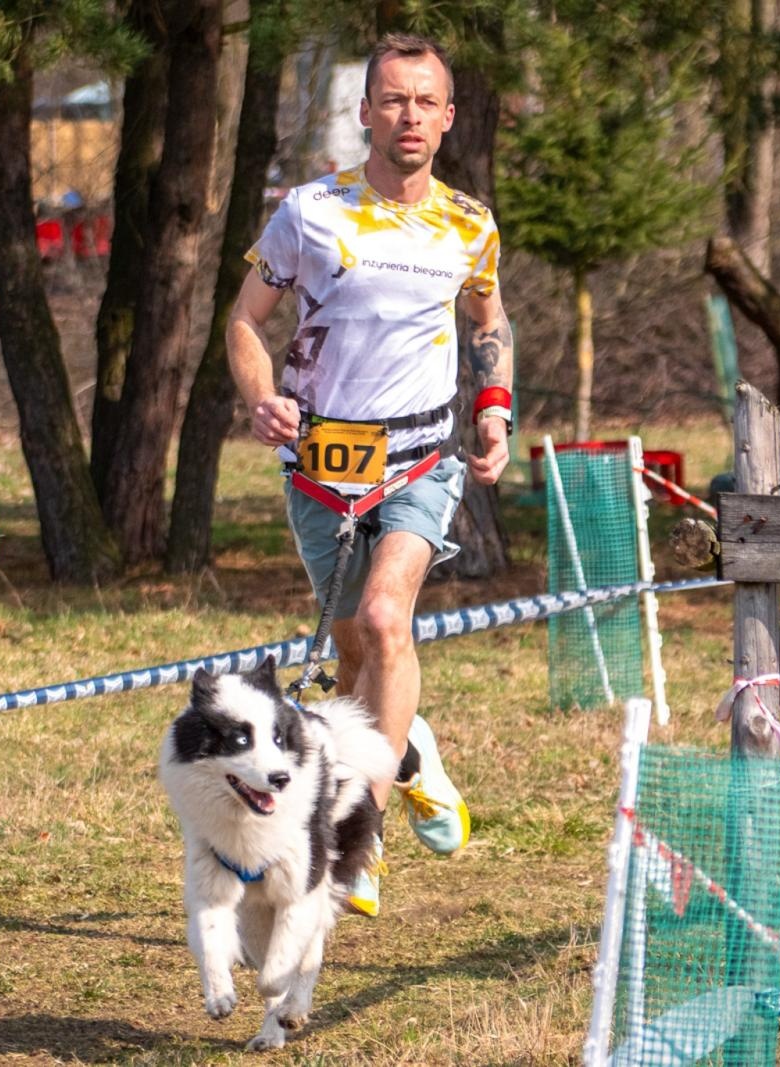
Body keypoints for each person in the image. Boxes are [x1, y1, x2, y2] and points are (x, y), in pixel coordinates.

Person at [226, 32, 514, 916]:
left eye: (426, 101)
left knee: (388, 619)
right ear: (365, 113)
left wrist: (495, 411)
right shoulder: (310, 211)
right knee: (357, 660)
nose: (410, 115)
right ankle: (412, 748)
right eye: (393, 100)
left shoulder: (469, 223)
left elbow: (489, 320)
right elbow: (244, 321)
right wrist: (262, 397)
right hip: (320, 464)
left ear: (449, 117)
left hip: (421, 457)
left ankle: (362, 831)